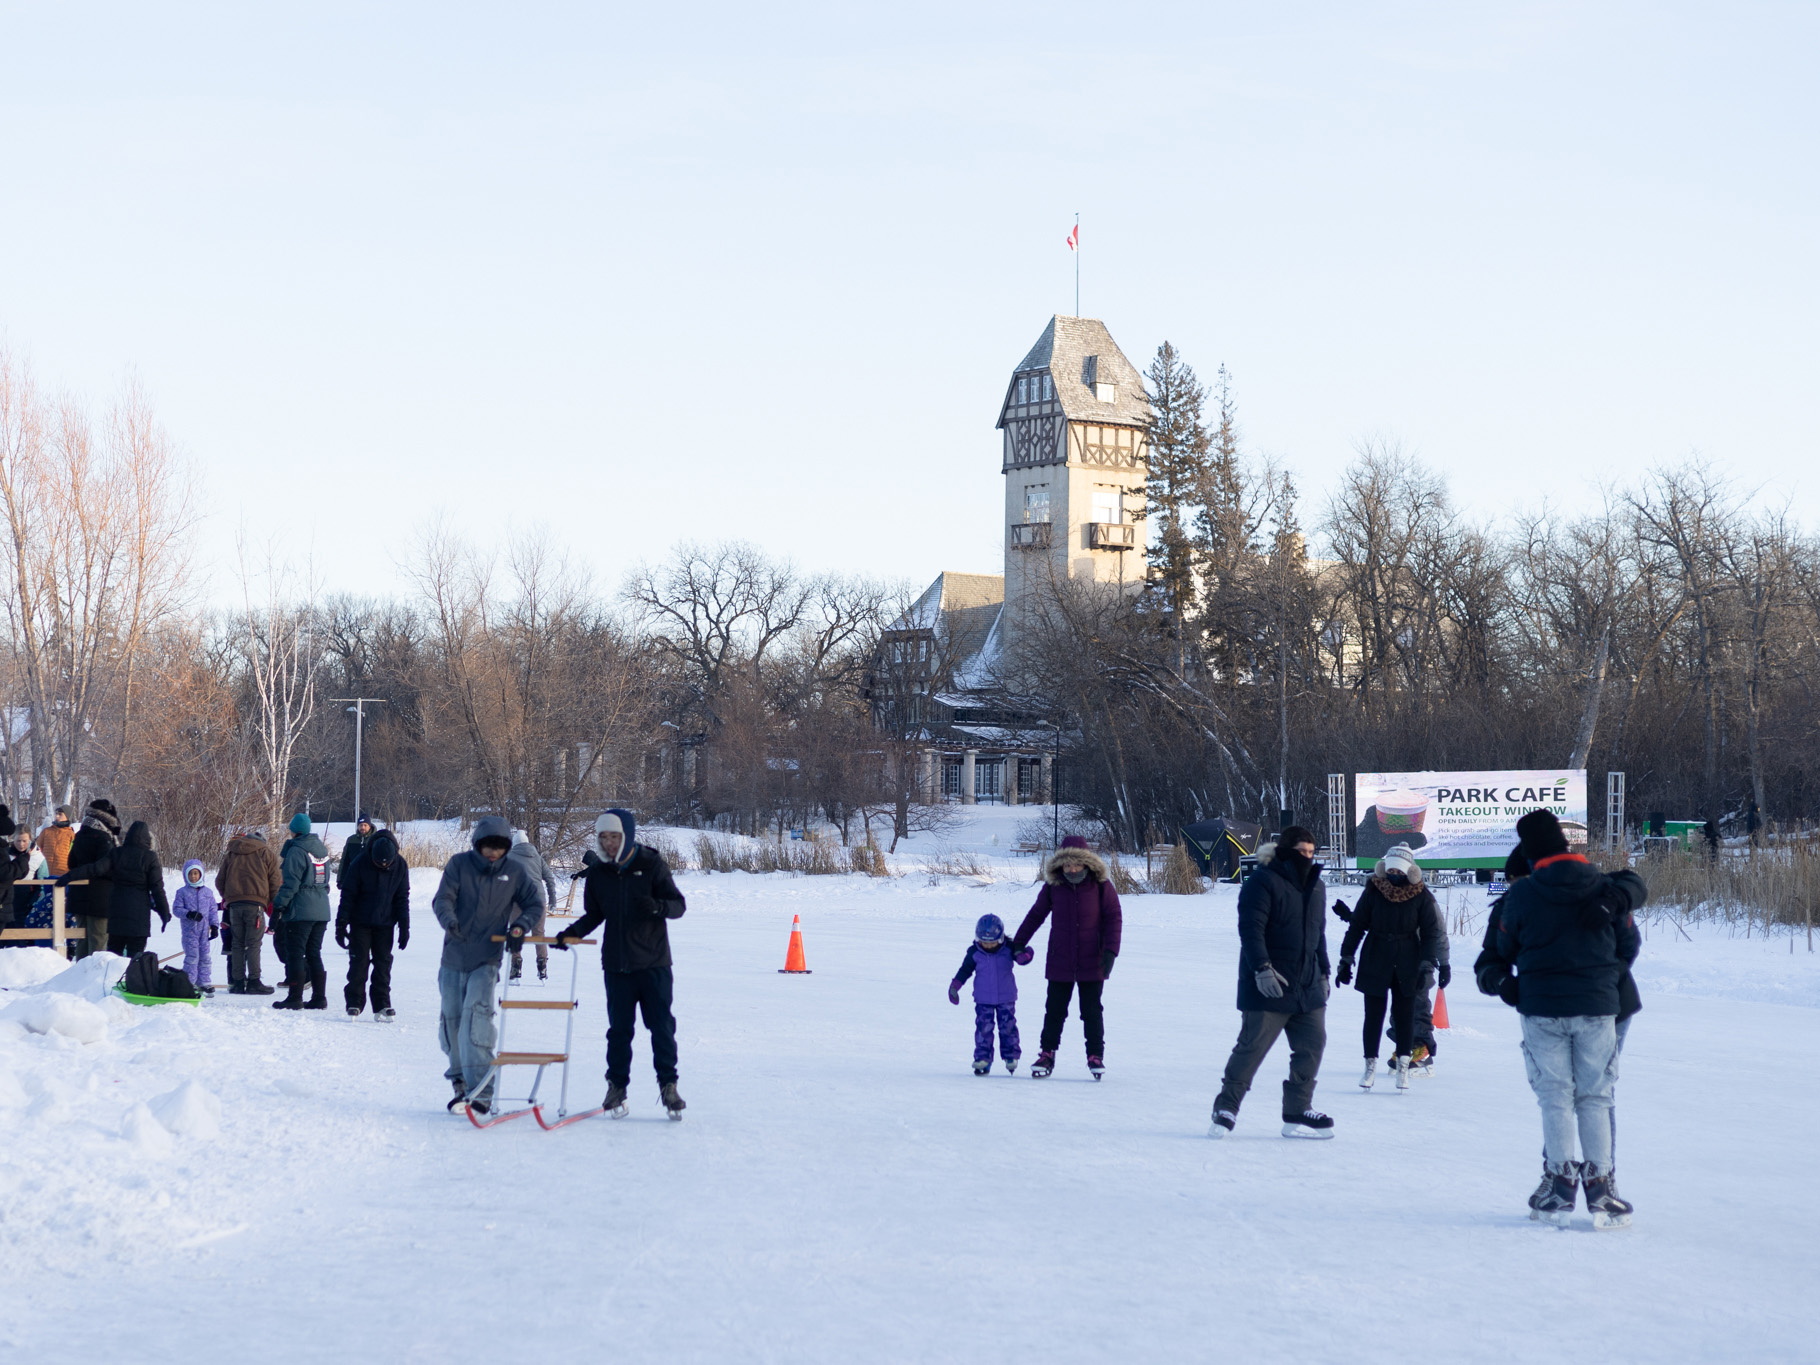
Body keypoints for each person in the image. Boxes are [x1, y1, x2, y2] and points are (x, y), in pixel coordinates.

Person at [1496, 809, 1646, 1228]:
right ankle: (1600, 1185)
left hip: (1544, 1007)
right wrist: (1602, 977)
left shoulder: (1523, 895)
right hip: (1599, 1006)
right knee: (1596, 1096)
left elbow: (1501, 949)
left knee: (1556, 1096)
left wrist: (1507, 982)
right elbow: (1629, 939)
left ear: (1529, 852)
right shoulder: (1601, 885)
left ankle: (1562, 1184)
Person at [554, 809, 688, 1118]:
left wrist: (656, 907)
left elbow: (678, 906)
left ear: (626, 836)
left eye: (615, 837)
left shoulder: (651, 864)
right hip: (616, 966)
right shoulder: (599, 873)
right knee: (619, 1031)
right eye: (604, 837)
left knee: (661, 1027)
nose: (610, 843)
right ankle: (616, 1086)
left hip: (653, 964)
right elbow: (594, 914)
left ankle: (668, 1086)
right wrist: (570, 934)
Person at [1210, 825, 1334, 1140]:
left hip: (1306, 986)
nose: (1307, 857)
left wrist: (1323, 972)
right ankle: (1226, 1107)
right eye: (1300, 852)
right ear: (1285, 852)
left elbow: (1318, 934)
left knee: (1312, 1045)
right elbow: (1251, 929)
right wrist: (1261, 968)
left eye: (1311, 852)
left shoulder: (1316, 887)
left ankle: (1297, 1109)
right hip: (1270, 984)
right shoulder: (1262, 882)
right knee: (1252, 1048)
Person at [432, 815, 544, 1115]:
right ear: (477, 845)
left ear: (507, 847)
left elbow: (534, 904)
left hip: (487, 958)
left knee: (476, 1021)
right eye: (487, 847)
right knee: (452, 1023)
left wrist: (519, 926)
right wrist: (449, 920)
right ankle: (460, 1084)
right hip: (454, 957)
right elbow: (442, 899)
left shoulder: (515, 871)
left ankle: (481, 1090)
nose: (493, 853)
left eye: (499, 847)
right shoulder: (459, 865)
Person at [1335, 844, 1447, 1090]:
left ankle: (1404, 1069)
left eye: (1399, 868)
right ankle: (1369, 1067)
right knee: (1373, 1016)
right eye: (1391, 867)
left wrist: (1430, 963)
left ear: (1409, 869)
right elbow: (1357, 926)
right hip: (1376, 956)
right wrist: (1346, 957)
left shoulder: (1421, 895)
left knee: (1405, 1015)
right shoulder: (1373, 890)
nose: (1394, 872)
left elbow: (1432, 932)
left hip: (1408, 959)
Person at [1009, 835, 1122, 1079]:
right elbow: (1036, 915)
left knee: (1091, 1010)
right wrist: (1018, 943)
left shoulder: (1101, 886)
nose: (1072, 869)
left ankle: (1095, 1055)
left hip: (1093, 958)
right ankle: (1047, 1053)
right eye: (1067, 865)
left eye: (1077, 864)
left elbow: (1114, 917)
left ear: (1086, 864)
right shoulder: (1054, 886)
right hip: (1060, 957)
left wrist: (1111, 951)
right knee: (1054, 1009)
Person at [61, 819, 170, 957]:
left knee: (112, 958)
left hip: (116, 916)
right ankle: (131, 978)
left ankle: (111, 979)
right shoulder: (150, 857)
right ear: (148, 839)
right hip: (139, 919)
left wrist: (69, 876)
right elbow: (157, 889)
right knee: (134, 960)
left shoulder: (117, 853)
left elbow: (95, 869)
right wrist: (164, 913)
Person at [336, 827, 410, 1019]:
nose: (383, 866)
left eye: (387, 864)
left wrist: (404, 927)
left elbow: (402, 897)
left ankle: (382, 1004)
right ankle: (354, 1003)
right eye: (379, 863)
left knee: (383, 964)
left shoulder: (400, 865)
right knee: (359, 963)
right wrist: (341, 924)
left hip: (385, 924)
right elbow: (348, 895)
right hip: (360, 922)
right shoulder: (360, 862)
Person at [949, 912, 1035, 1074]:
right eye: (984, 942)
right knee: (983, 1029)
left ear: (1000, 938)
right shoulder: (974, 952)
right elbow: (964, 971)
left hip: (1006, 997)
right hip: (983, 999)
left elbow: (1024, 955)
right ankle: (983, 1059)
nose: (987, 945)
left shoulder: (1009, 949)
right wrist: (955, 986)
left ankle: (1011, 1056)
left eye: (992, 942)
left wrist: (1026, 955)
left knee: (1008, 1027)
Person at [271, 813, 334, 1011]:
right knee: (314, 953)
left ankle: (294, 997)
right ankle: (319, 997)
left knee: (295, 954)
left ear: (294, 831)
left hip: (301, 911)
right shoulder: (321, 850)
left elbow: (290, 884)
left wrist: (278, 906)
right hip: (321, 910)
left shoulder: (296, 851)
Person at [217, 829, 283, 994]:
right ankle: (254, 981)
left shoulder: (232, 853)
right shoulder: (266, 852)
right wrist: (273, 903)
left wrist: (229, 896)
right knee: (253, 943)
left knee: (237, 943)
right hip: (256, 905)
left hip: (234, 905)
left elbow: (219, 881)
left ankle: (238, 983)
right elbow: (275, 881)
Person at [65, 798, 121, 958]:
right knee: (98, 941)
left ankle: (80, 976)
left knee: (83, 940)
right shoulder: (104, 838)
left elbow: (71, 862)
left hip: (79, 896)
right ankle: (93, 979)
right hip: (100, 898)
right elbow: (106, 867)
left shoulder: (81, 834)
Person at [506, 829, 558, 983]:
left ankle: (516, 967)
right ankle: (542, 967)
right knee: (539, 934)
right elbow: (549, 878)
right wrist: (553, 899)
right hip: (538, 900)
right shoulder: (537, 857)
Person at [171, 860, 221, 992]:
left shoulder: (208, 893)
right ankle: (189, 982)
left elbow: (212, 911)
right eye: (190, 874)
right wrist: (189, 914)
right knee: (192, 957)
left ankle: (203, 982)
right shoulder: (182, 892)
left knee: (205, 956)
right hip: (190, 932)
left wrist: (214, 926)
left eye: (196, 873)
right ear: (185, 875)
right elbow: (176, 909)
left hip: (204, 932)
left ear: (201, 874)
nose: (193, 876)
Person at [338, 814, 377, 890]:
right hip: (354, 880)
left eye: (365, 825)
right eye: (360, 825)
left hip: (371, 881)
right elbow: (345, 861)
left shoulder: (376, 839)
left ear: (369, 826)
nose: (362, 827)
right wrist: (341, 879)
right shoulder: (351, 840)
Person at [36, 806, 75, 877]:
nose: (57, 816)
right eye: (56, 814)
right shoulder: (46, 831)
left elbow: (73, 856)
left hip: (63, 874)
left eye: (60, 814)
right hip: (45, 873)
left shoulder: (71, 835)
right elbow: (37, 850)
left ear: (67, 816)